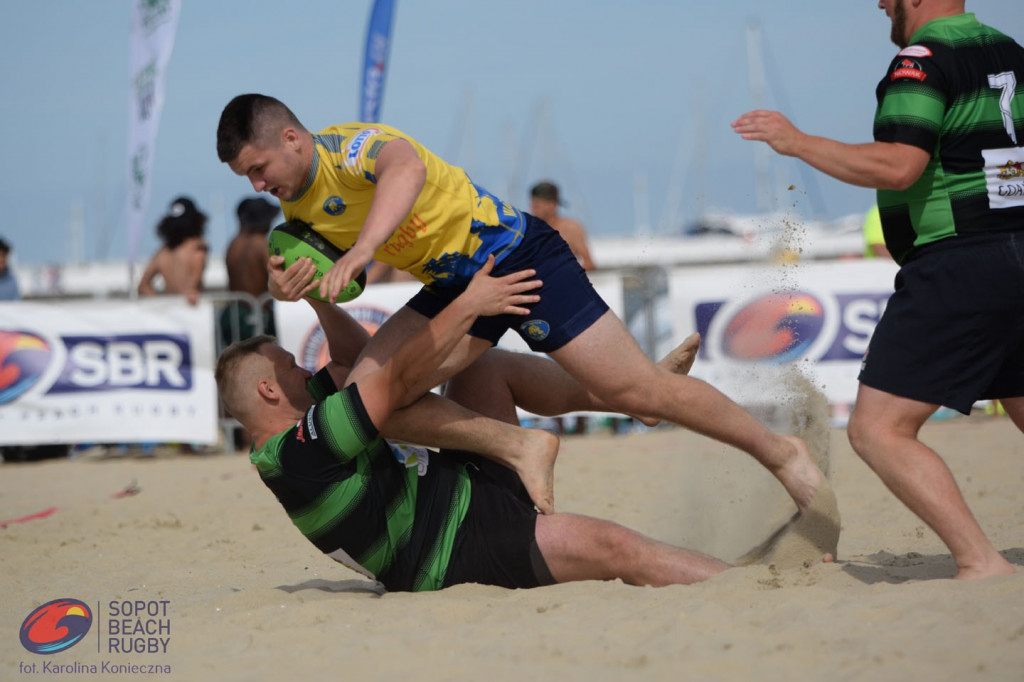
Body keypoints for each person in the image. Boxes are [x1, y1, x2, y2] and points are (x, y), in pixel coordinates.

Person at [216, 95, 838, 551]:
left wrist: (361, 250)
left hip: (518, 256)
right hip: (455, 285)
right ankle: (527, 444)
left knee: (640, 390)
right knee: (369, 400)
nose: (258, 182)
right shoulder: (294, 216)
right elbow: (297, 274)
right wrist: (284, 284)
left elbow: (404, 171)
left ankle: (780, 453)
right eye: (247, 177)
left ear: (294, 138)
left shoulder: (349, 147)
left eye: (259, 166)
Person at [216, 259, 737, 591]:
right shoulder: (299, 451)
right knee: (617, 548)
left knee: (484, 369)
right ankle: (743, 585)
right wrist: (469, 306)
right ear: (268, 390)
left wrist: (316, 295)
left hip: (461, 486)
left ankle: (633, 397)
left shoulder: (302, 429)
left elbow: (362, 357)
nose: (305, 369)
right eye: (291, 366)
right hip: (457, 549)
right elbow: (390, 379)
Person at [732, 0, 1024, 579]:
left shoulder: (922, 59)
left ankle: (981, 561)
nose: (880, 4)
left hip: (960, 259)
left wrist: (797, 142)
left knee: (878, 429)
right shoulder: (1010, 52)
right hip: (1014, 247)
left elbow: (897, 166)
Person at [222, 196, 281, 344]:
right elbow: (279, 278)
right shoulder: (261, 244)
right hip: (256, 316)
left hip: (233, 314)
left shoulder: (234, 243)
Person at [137, 196, 209, 305]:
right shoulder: (197, 247)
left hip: (170, 315)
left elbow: (143, 287)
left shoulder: (162, 252)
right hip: (193, 311)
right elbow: (193, 286)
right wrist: (190, 293)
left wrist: (161, 303)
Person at [529, 181, 596, 272]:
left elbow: (589, 263)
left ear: (552, 205)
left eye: (537, 206)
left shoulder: (570, 228)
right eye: (532, 206)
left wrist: (564, 276)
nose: (532, 210)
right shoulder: (531, 231)